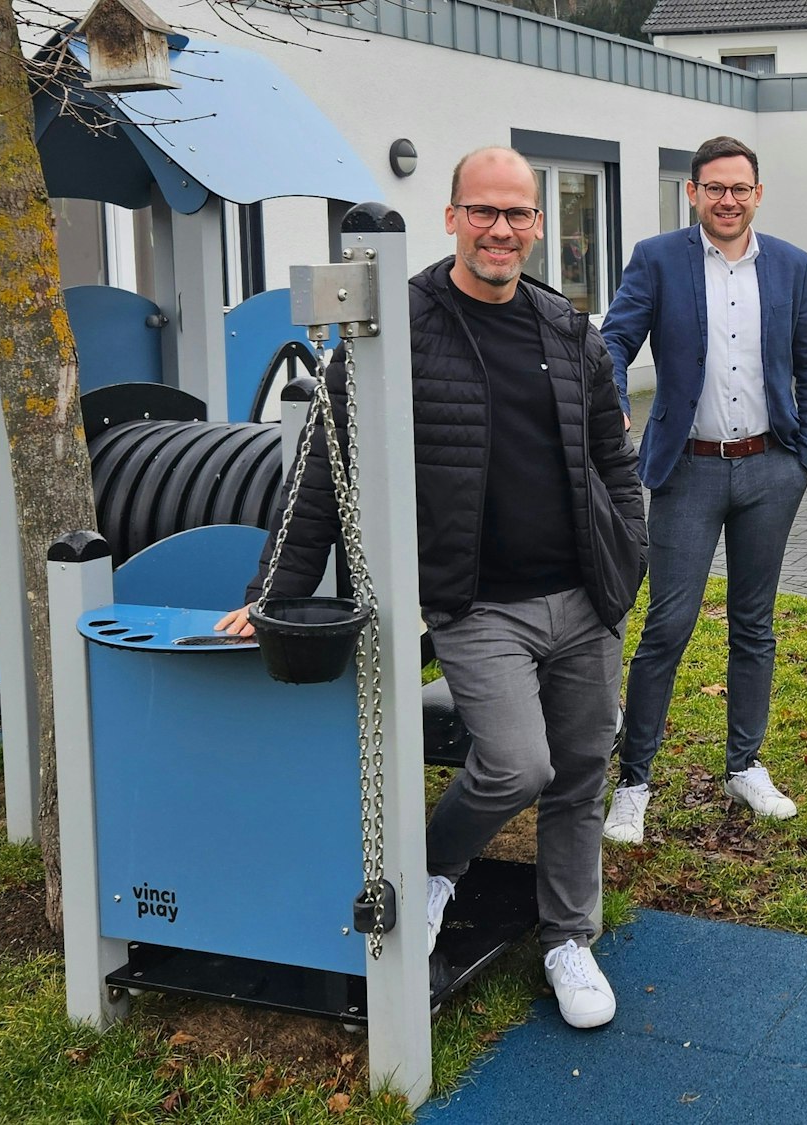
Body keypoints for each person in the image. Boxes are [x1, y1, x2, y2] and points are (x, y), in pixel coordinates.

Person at [218, 147, 646, 1029]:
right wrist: (274, 593)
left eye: (519, 214)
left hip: (584, 597)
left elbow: (614, 455)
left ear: (537, 225)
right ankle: (433, 870)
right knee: (516, 764)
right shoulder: (397, 329)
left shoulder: (566, 328)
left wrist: (627, 548)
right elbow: (322, 474)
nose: (502, 230)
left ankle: (570, 937)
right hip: (478, 603)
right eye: (484, 212)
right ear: (451, 216)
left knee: (581, 771)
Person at [599, 136, 807, 842]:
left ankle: (745, 765)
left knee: (754, 623)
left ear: (757, 194)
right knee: (668, 625)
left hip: (770, 470)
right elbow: (613, 339)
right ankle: (634, 781)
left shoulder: (791, 265)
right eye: (714, 188)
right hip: (687, 470)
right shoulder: (658, 258)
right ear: (693, 192)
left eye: (740, 188)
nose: (727, 200)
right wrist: (614, 397)